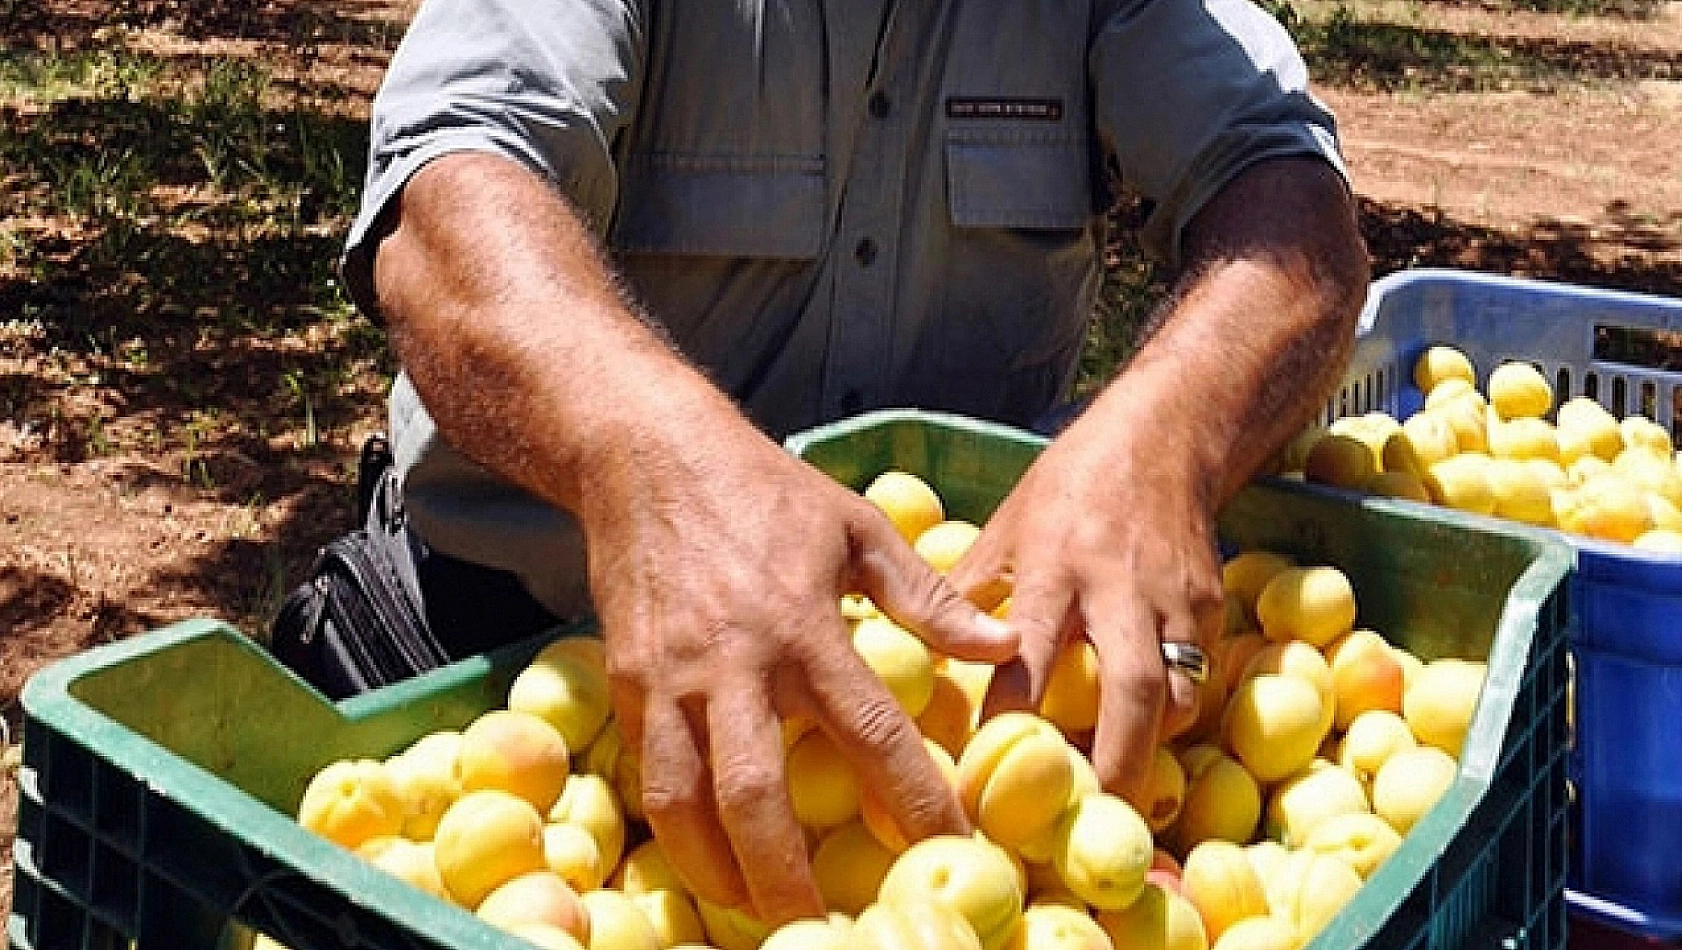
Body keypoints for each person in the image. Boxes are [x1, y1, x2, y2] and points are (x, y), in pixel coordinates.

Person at [337, 0, 1368, 927]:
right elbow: (448, 191)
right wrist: (644, 463)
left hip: (946, 717)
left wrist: (1165, 437)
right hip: (519, 660)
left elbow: (1286, 198)